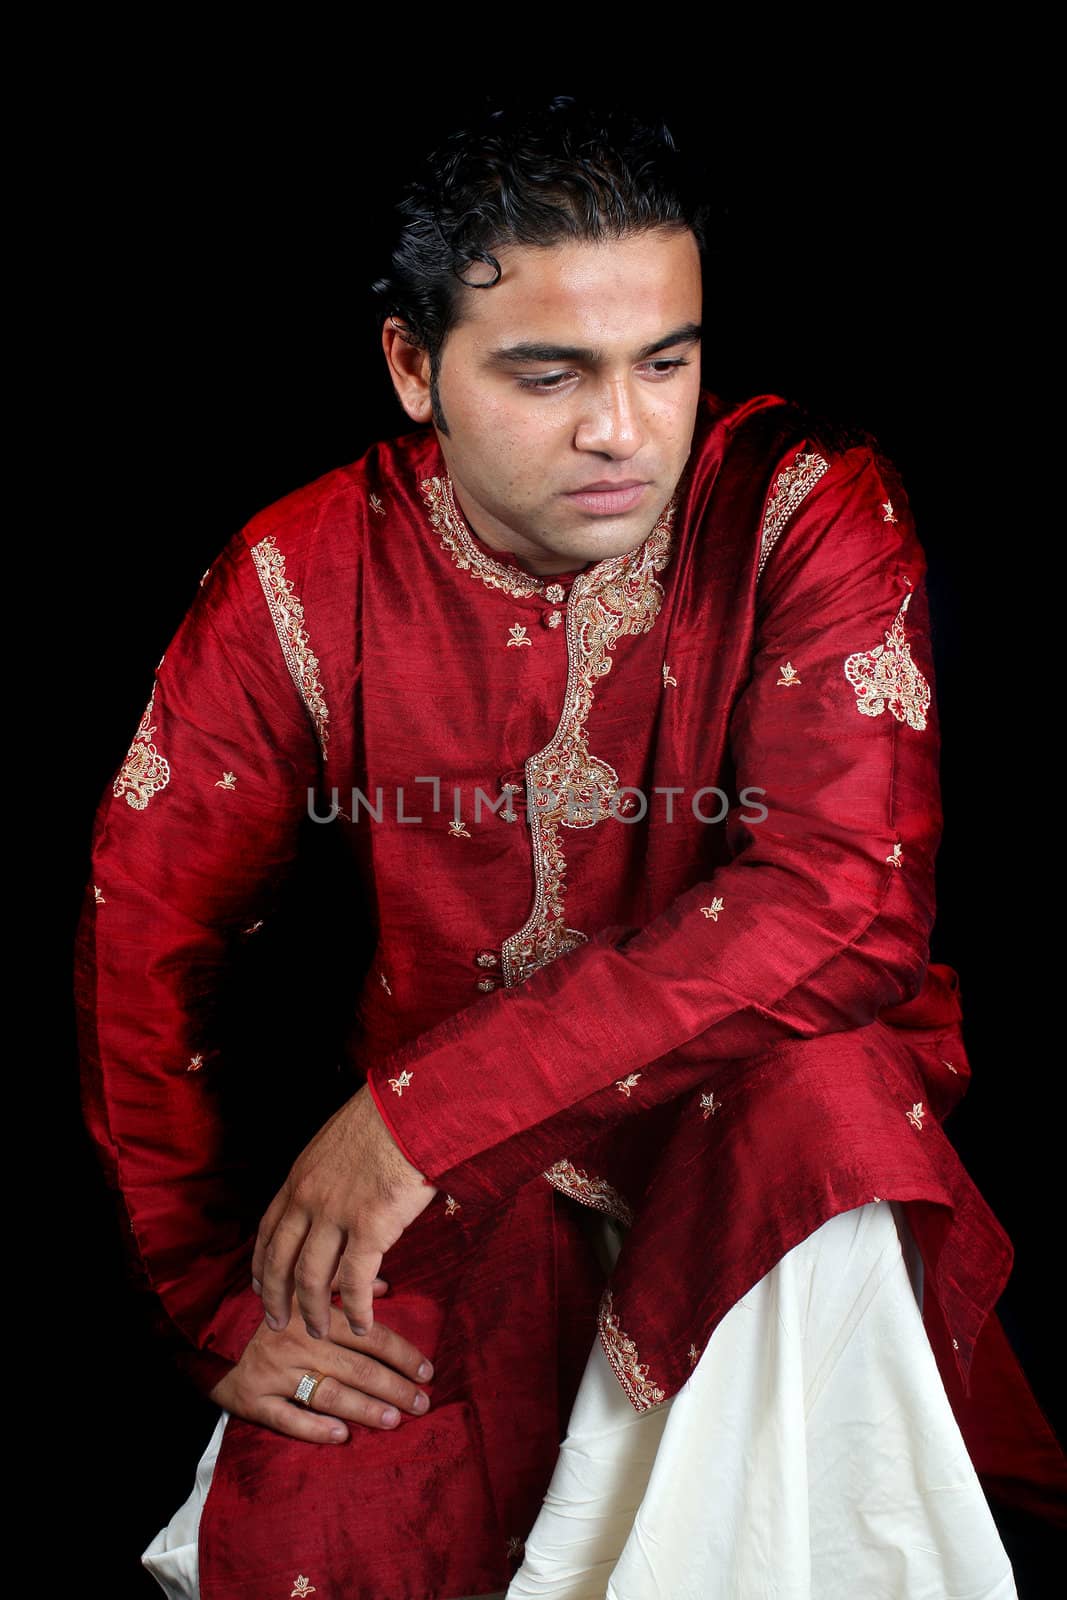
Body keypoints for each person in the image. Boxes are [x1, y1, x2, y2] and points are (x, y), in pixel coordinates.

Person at [75, 95, 1061, 1600]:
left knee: (829, 1083)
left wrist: (412, 1115)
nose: (622, 427)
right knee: (311, 1548)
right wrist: (208, 1301)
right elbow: (140, 939)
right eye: (551, 374)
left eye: (664, 361)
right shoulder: (300, 577)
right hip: (459, 1209)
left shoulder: (798, 507)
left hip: (763, 1171)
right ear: (415, 368)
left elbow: (847, 905)